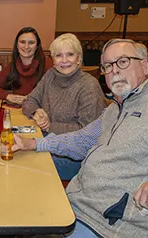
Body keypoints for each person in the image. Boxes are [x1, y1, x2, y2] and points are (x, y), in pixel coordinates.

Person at [12, 39, 148, 237]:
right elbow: (82, 139)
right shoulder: (116, 107)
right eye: (108, 66)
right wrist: (34, 143)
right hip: (78, 204)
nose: (115, 71)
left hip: (109, 225)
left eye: (123, 62)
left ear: (144, 65)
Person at [21, 33, 106, 180]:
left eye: (70, 55)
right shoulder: (50, 75)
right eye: (59, 55)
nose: (64, 60)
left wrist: (49, 127)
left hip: (76, 156)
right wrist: (36, 112)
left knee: (27, 164)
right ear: (53, 60)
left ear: (79, 58)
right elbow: (29, 100)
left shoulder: (89, 86)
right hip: (48, 141)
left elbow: (86, 134)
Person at [0, 27, 53, 106]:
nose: (26, 47)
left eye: (31, 42)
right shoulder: (13, 65)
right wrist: (7, 96)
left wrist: (33, 98)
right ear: (17, 45)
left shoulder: (48, 64)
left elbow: (55, 94)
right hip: (18, 110)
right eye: (22, 42)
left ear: (37, 46)